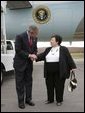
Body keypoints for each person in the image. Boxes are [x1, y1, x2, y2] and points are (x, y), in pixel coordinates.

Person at [34, 34, 77, 106]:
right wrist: (34, 57)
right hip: (49, 72)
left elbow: (69, 58)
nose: (50, 41)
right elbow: (42, 56)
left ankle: (59, 100)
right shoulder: (48, 49)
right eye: (51, 40)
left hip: (59, 72)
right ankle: (50, 99)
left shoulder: (63, 49)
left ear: (57, 41)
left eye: (52, 40)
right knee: (49, 86)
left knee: (59, 86)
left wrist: (73, 67)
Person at [13, 25, 39, 109]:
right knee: (20, 83)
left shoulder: (35, 38)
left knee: (29, 82)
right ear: (31, 32)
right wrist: (29, 55)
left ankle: (28, 99)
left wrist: (34, 54)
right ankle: (21, 101)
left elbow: (35, 48)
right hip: (20, 64)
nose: (36, 36)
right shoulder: (20, 36)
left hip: (29, 64)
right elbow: (18, 50)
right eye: (35, 34)